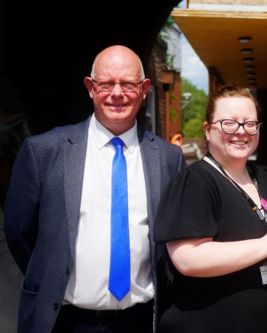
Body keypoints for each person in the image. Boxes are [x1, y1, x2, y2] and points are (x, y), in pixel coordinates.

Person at [3, 45, 186, 333]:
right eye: (106, 83)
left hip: (140, 321)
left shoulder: (168, 158)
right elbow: (19, 232)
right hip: (64, 321)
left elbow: (176, 236)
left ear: (144, 88)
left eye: (127, 83)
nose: (117, 93)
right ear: (90, 87)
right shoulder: (44, 151)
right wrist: (51, 277)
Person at [153, 84, 267, 333]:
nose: (241, 132)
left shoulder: (265, 178)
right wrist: (266, 244)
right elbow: (187, 259)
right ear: (208, 130)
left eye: (249, 124)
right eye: (229, 123)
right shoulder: (195, 181)